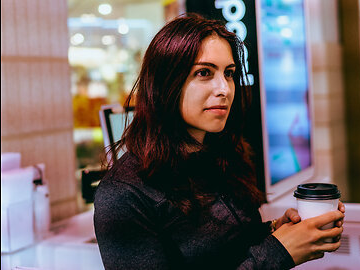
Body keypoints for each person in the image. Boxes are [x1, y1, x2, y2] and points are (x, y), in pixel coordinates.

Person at [93, 13, 345, 270]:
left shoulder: (222, 154)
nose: (224, 88)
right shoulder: (124, 194)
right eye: (204, 72)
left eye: (229, 73)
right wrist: (279, 251)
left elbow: (222, 250)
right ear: (164, 83)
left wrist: (275, 232)